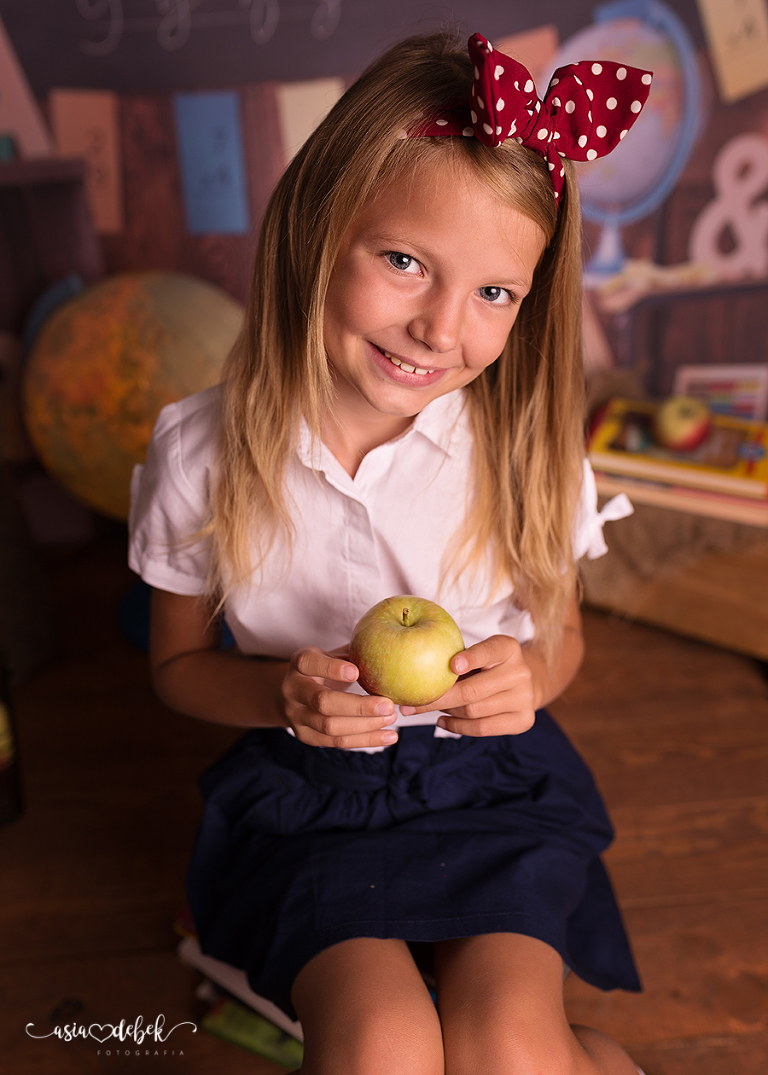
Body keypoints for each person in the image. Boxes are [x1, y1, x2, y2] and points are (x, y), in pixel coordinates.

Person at [129, 30, 652, 1075]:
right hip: (311, 794)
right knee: (380, 1046)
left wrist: (531, 680)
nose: (439, 329)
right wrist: (283, 693)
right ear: (322, 227)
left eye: (494, 293)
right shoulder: (202, 451)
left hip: (494, 782)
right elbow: (177, 668)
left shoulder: (527, 451)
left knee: (511, 1049)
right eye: (406, 262)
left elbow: (561, 639)